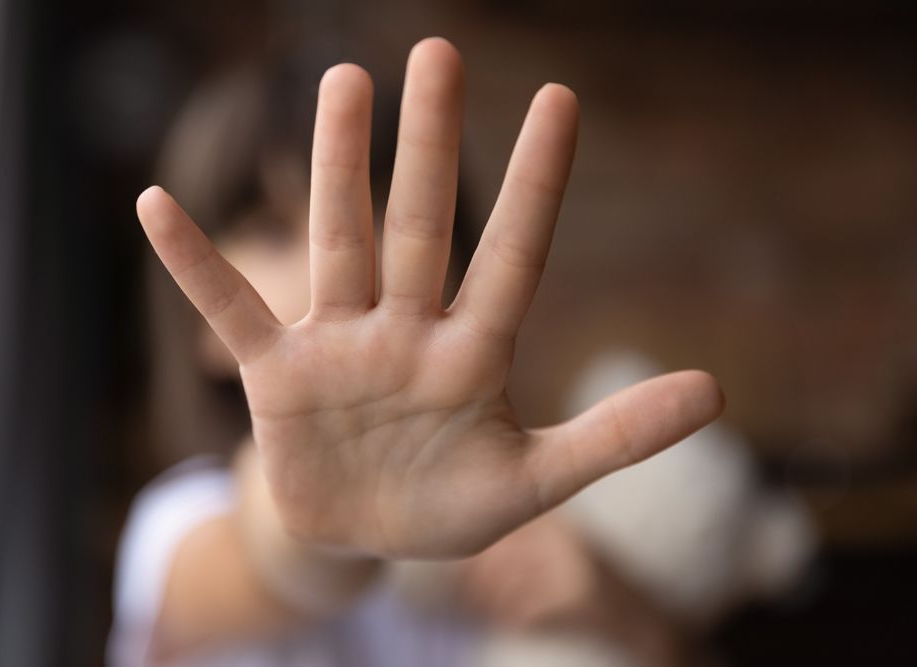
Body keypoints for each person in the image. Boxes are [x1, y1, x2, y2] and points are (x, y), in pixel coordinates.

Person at [109, 37, 723, 666]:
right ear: (198, 326)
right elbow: (264, 566)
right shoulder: (178, 524)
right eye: (271, 229)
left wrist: (619, 610)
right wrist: (329, 531)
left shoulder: (499, 515)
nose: (340, 251)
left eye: (382, 208)